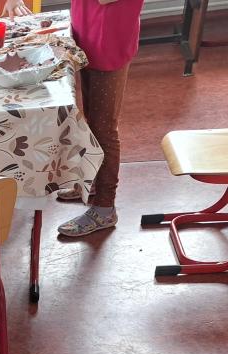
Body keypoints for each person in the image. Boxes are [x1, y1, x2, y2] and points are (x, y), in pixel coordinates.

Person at [57, 0, 145, 237]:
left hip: (109, 42)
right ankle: (93, 184)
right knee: (93, 121)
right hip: (90, 34)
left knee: (104, 129)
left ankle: (105, 207)